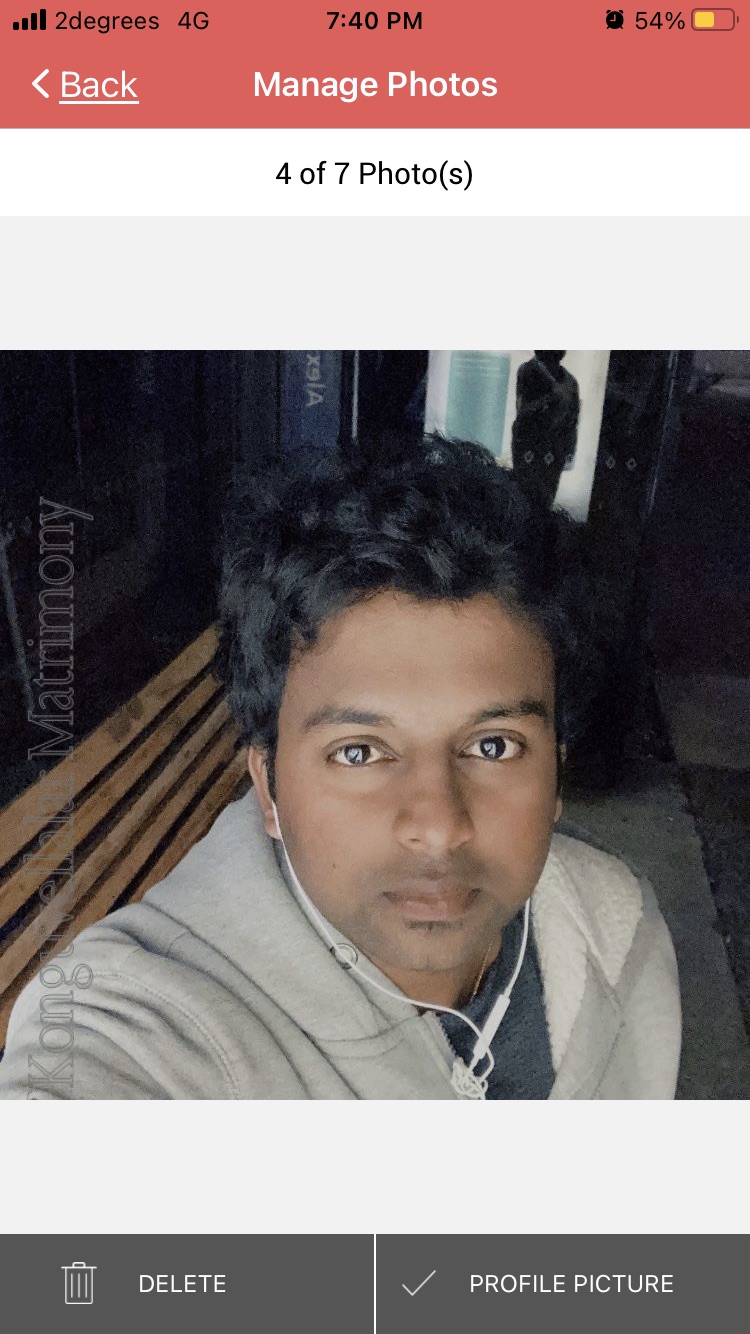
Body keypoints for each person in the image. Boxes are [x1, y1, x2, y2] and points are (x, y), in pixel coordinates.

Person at [0, 437, 680, 1100]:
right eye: (359, 752)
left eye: (494, 746)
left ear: (556, 769)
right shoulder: (143, 1028)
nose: (439, 828)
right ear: (268, 787)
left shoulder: (618, 930)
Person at [511, 351, 580, 510]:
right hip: (530, 445)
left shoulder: (570, 381)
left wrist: (569, 449)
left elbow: (572, 420)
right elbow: (523, 410)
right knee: (525, 499)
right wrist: (549, 399)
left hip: (555, 449)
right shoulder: (529, 370)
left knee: (545, 501)